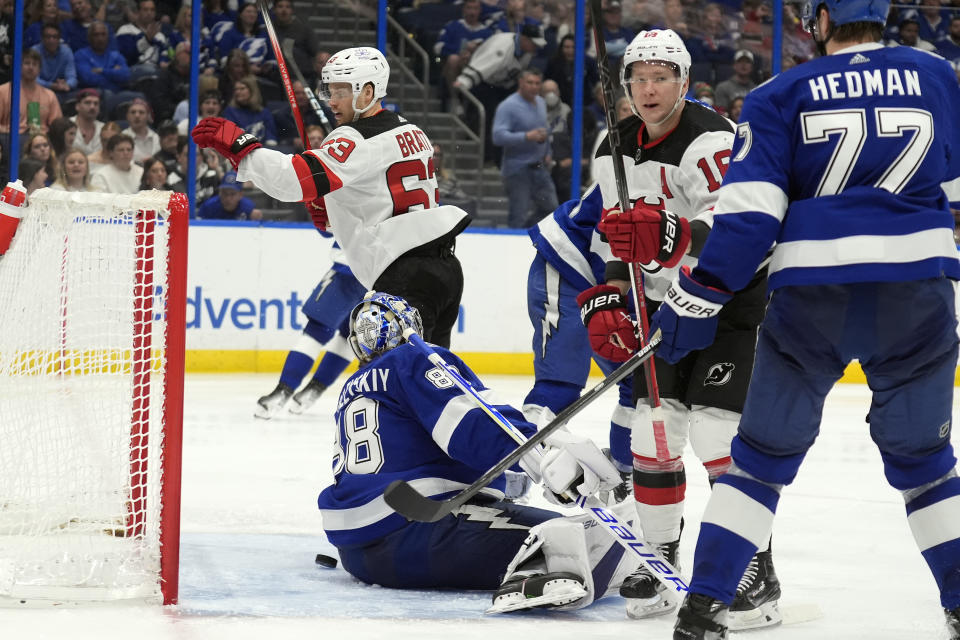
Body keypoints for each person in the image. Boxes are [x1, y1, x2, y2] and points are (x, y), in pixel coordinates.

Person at [649, 0, 960, 637]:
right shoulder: (939, 77)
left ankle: (704, 609)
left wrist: (698, 293)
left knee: (759, 461)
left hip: (815, 301)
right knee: (927, 464)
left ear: (818, 19)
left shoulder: (779, 92)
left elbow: (753, 218)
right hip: (917, 293)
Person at [575, 29, 775, 626]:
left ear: (684, 83)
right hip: (664, 308)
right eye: (639, 77)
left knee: (718, 440)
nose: (649, 88)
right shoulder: (613, 145)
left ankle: (754, 571)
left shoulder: (711, 139)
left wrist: (671, 237)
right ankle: (658, 561)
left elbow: (738, 230)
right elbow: (615, 236)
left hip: (727, 301)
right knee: (653, 436)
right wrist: (609, 295)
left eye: (662, 77)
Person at [319, 291, 633, 612]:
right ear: (408, 324)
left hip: (359, 554)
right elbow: (469, 422)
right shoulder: (413, 358)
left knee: (565, 533)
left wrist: (507, 480)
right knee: (581, 537)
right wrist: (537, 452)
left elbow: (407, 455)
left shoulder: (355, 387)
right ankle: (532, 573)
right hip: (415, 533)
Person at [192, 46, 471, 349]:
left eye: (342, 91)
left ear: (367, 91)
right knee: (434, 380)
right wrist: (335, 209)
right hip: (446, 272)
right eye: (330, 90)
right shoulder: (412, 131)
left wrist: (242, 146)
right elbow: (382, 199)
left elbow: (293, 180)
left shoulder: (353, 136)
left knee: (394, 384)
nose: (332, 101)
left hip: (405, 278)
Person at [523, 183, 635, 502]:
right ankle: (513, 475)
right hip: (568, 265)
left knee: (640, 384)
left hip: (617, 282)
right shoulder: (636, 157)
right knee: (559, 387)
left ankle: (625, 477)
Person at [254, 245, 365, 418]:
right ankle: (313, 391)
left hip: (349, 266)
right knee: (353, 336)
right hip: (384, 273)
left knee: (317, 331)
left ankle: (282, 392)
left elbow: (326, 226)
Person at [492, 68, 559, 228]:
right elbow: (497, 136)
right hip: (517, 168)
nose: (534, 87)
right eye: (530, 82)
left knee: (551, 209)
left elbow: (543, 130)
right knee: (518, 213)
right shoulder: (508, 106)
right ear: (520, 82)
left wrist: (547, 151)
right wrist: (526, 137)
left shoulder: (541, 103)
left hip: (539, 166)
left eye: (537, 83)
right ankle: (516, 241)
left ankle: (528, 231)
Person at [0, 49, 63, 134]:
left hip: (41, 140)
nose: (31, 67)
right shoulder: (3, 91)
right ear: (18, 66)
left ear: (39, 69)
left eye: (34, 64)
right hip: (11, 139)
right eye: (27, 63)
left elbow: (57, 127)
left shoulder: (50, 95)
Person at [195, 171, 262, 220]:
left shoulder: (248, 208)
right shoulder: (208, 207)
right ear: (219, 193)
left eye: (232, 194)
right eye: (224, 193)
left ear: (240, 195)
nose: (228, 198)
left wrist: (256, 221)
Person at [32, 23, 77, 95]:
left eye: (55, 37)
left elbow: (72, 77)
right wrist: (51, 85)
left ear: (59, 39)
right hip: (39, 90)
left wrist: (67, 85)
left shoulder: (66, 51)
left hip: (60, 90)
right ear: (42, 38)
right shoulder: (34, 52)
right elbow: (32, 79)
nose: (51, 40)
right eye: (48, 37)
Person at [713, 49, 756, 114]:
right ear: (734, 65)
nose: (743, 64)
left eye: (747, 62)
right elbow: (720, 114)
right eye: (740, 61)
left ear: (752, 67)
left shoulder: (756, 90)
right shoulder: (722, 87)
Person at [121, 98, 160, 162]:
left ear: (148, 116)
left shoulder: (157, 138)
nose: (137, 115)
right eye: (133, 112)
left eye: (141, 112)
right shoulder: (121, 139)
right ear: (127, 116)